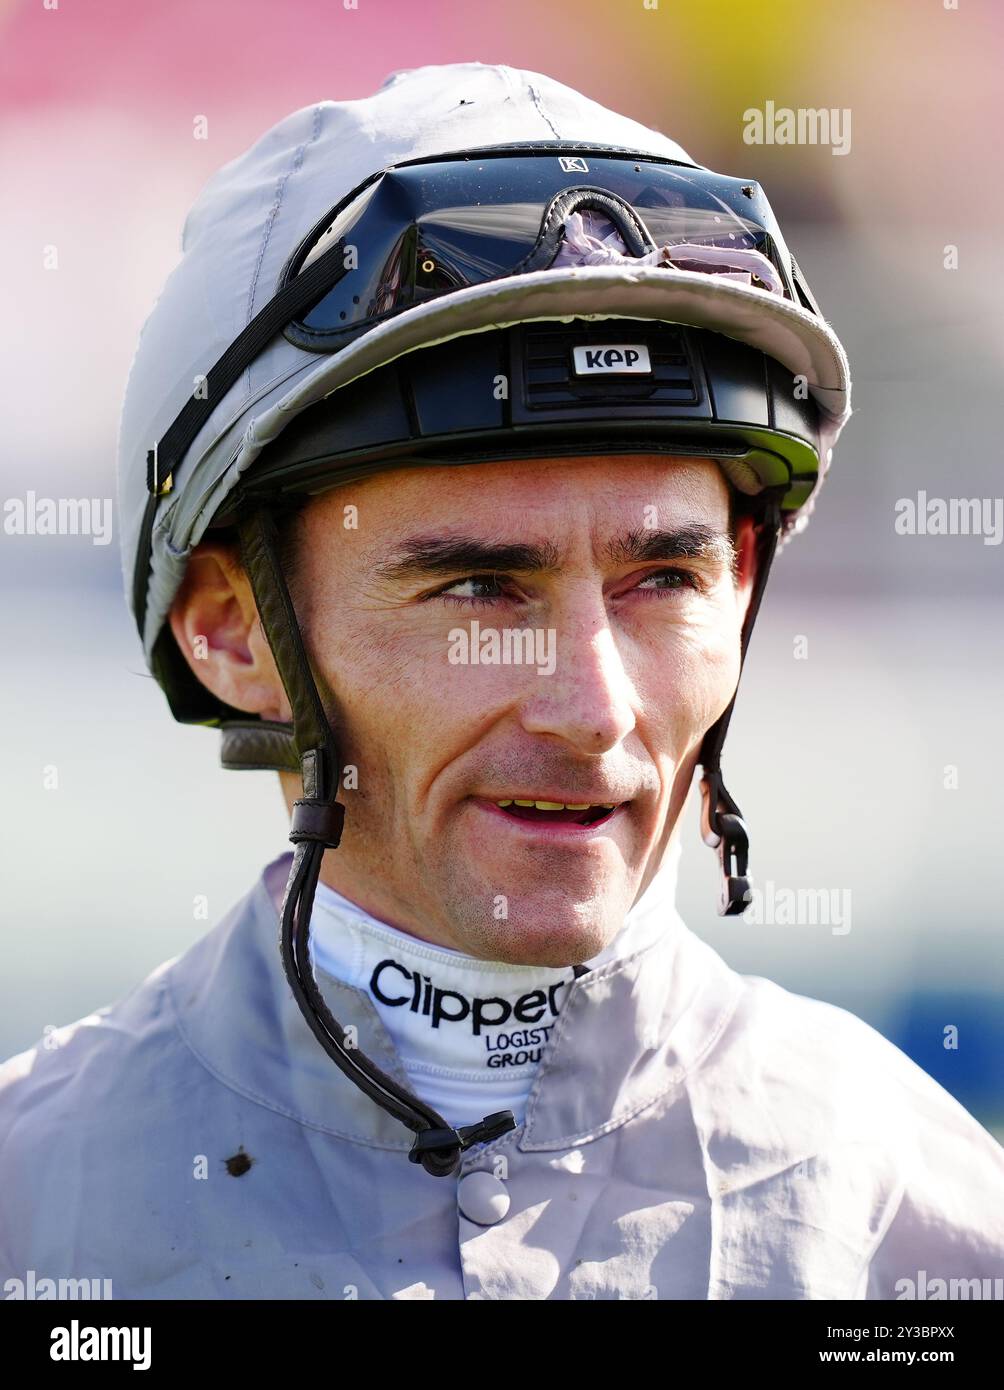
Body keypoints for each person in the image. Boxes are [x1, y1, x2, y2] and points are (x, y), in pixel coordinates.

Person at [2, 62, 1002, 1302]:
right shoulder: (32, 1211)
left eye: (663, 580)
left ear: (742, 582)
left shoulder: (923, 1226)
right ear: (230, 628)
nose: (593, 713)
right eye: (478, 588)